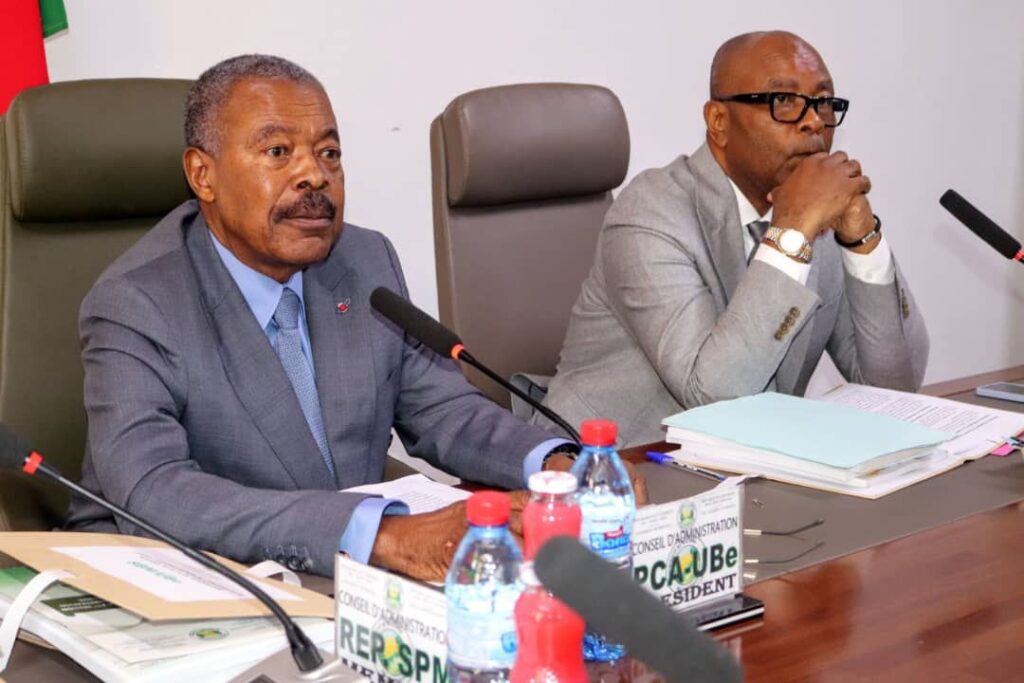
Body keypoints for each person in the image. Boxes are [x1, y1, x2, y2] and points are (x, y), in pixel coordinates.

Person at [66, 55, 645, 580]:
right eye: (278, 152)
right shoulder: (137, 301)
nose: (314, 176)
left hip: (345, 576)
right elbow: (154, 490)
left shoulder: (364, 261)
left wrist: (558, 465)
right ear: (203, 175)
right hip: (189, 578)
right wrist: (381, 536)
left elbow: (443, 410)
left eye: (329, 153)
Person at [537, 31, 929, 447]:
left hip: (751, 465)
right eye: (784, 100)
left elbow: (894, 388)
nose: (814, 120)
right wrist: (792, 233)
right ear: (719, 122)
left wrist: (862, 241)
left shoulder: (819, 215)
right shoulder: (650, 213)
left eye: (823, 102)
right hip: (613, 466)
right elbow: (713, 398)